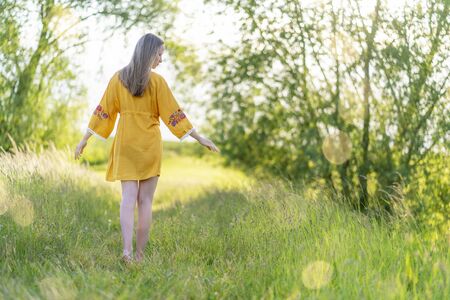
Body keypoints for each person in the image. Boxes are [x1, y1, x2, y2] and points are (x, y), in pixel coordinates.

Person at [74, 33, 220, 264]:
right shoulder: (158, 82)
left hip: (125, 144)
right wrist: (198, 137)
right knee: (146, 201)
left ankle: (126, 251)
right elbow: (174, 115)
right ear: (149, 53)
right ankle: (139, 256)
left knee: (128, 198)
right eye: (159, 54)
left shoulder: (118, 78)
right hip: (149, 145)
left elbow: (103, 111)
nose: (161, 59)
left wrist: (85, 139)